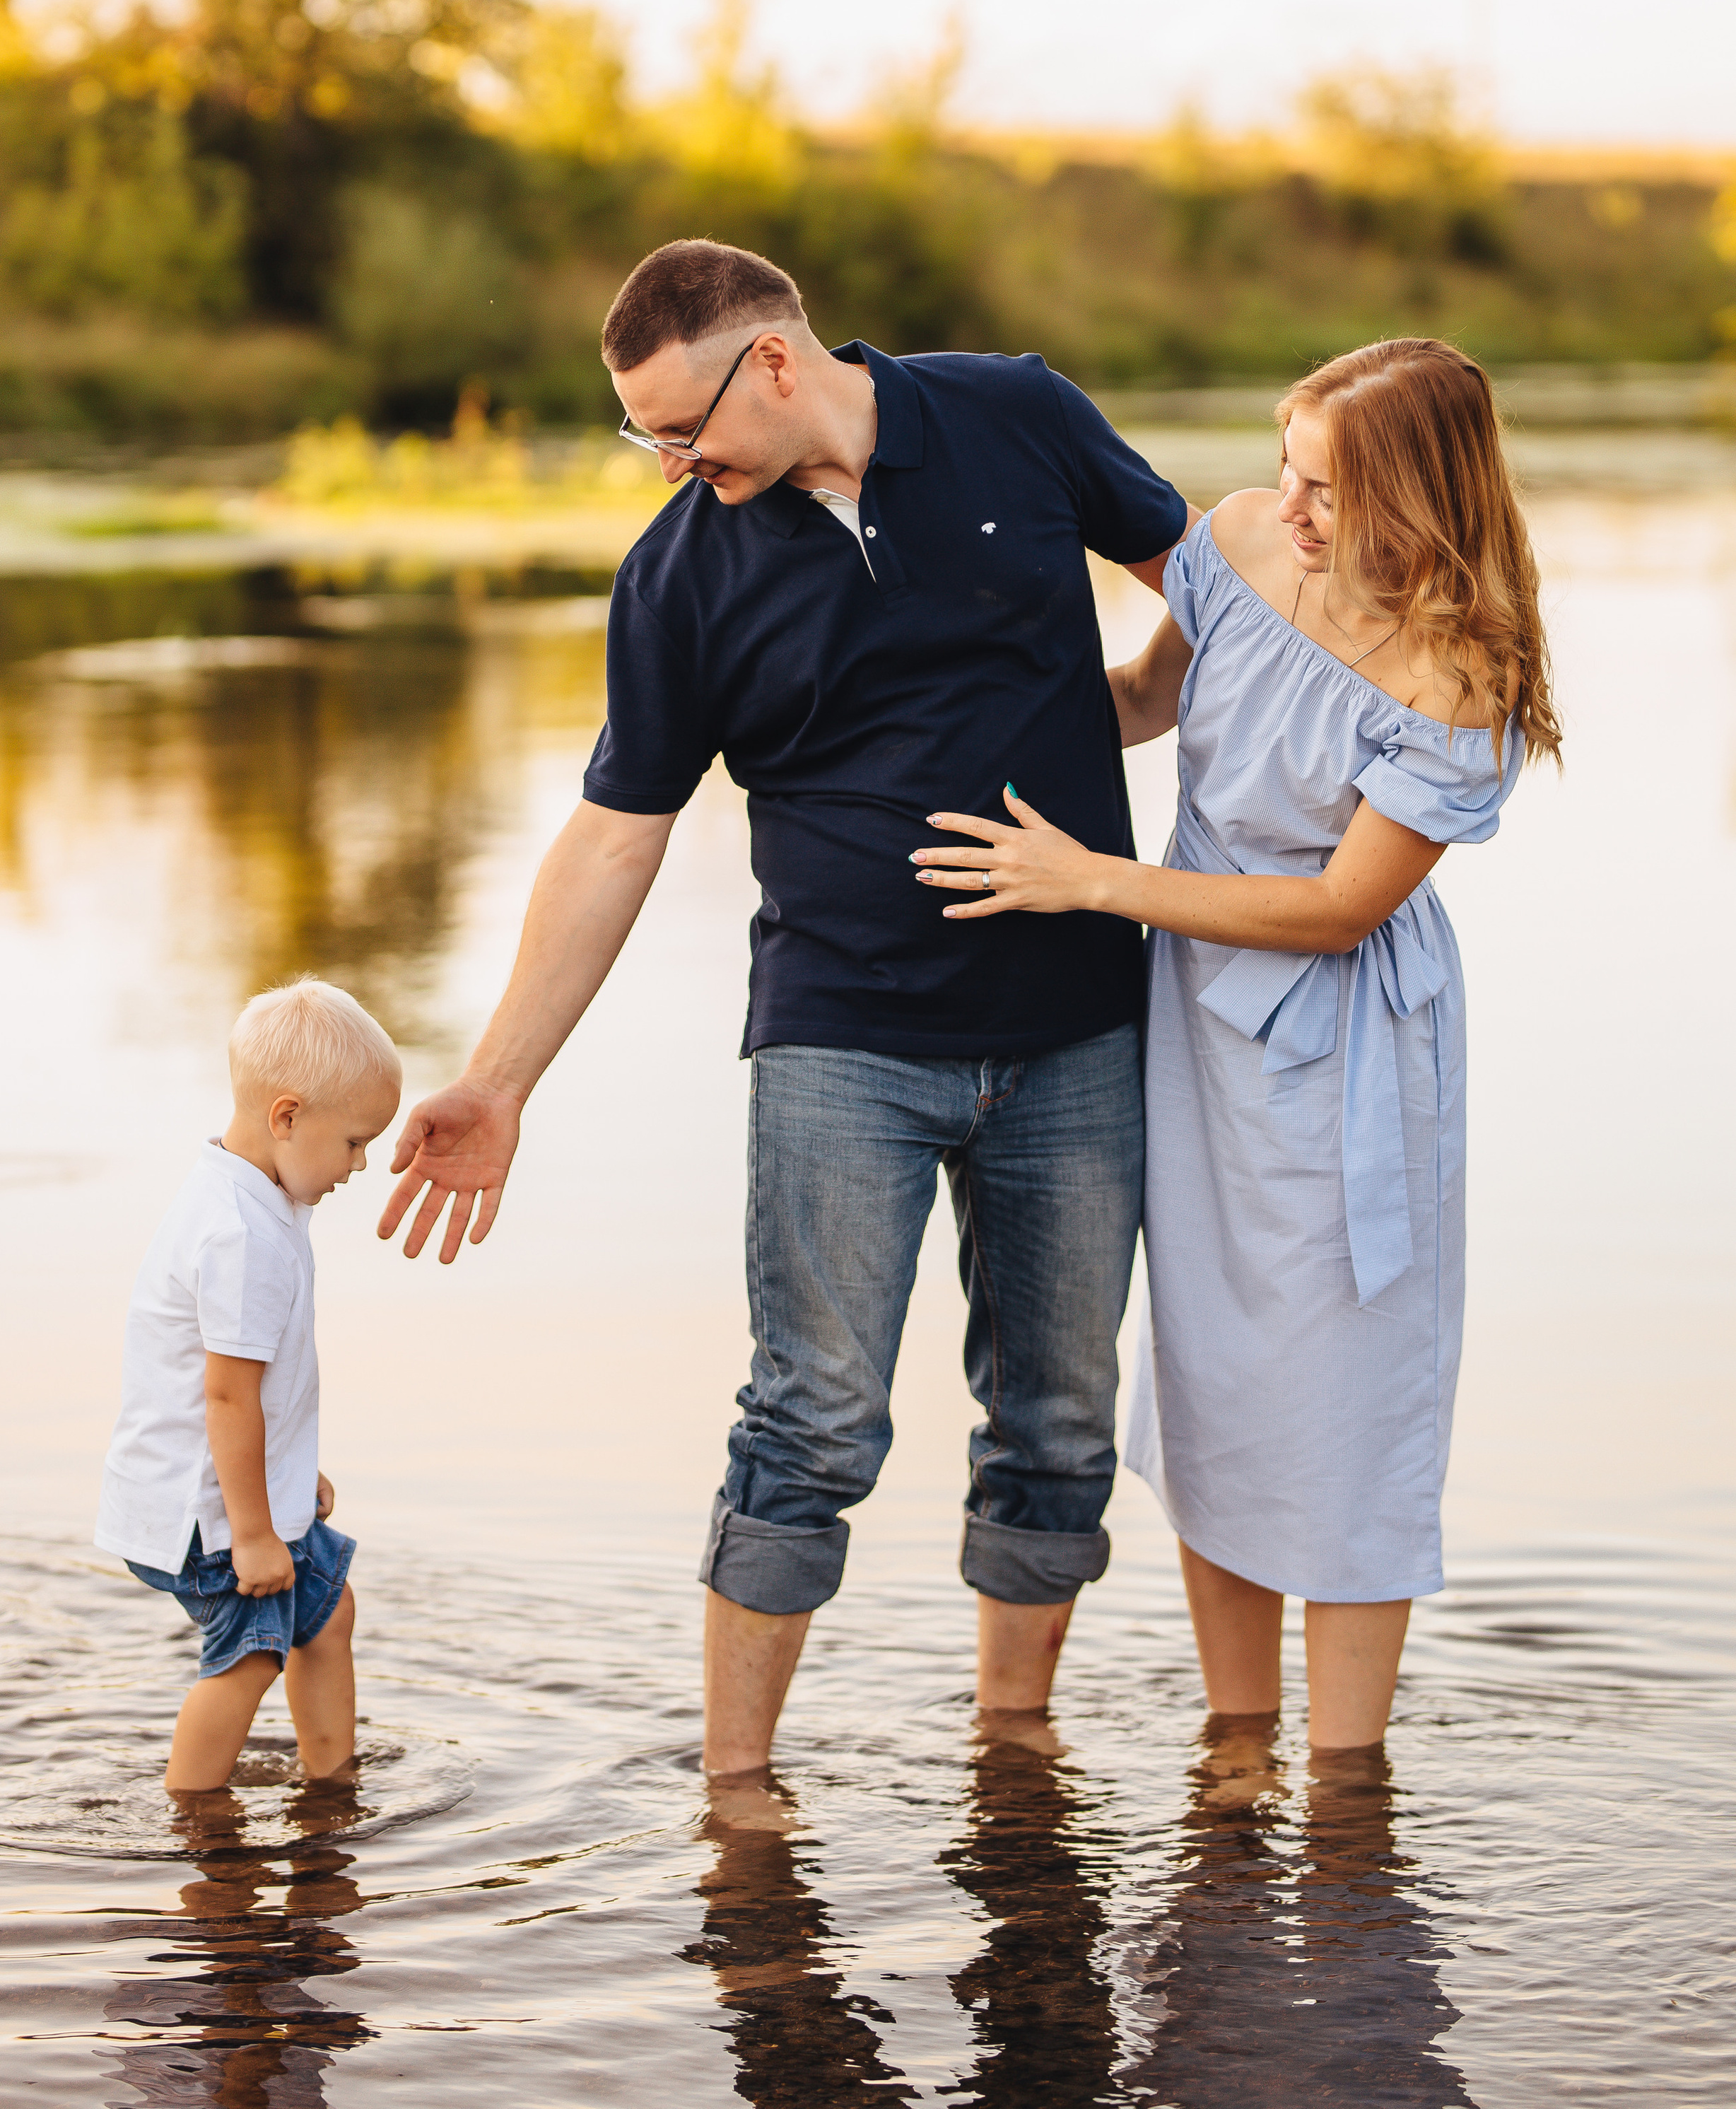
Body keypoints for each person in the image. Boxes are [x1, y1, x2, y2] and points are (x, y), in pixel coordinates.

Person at [378, 238, 1195, 1775]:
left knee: (1058, 1428)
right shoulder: (682, 568)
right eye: (645, 440)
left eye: (682, 427)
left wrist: (1146, 695)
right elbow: (616, 833)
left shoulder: (1013, 415)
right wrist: (499, 1081)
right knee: (810, 1423)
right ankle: (735, 1793)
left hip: (1078, 1030)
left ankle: (1011, 1756)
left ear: (770, 359)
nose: (671, 461)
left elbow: (1212, 575)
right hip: (840, 1041)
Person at [913, 338, 1559, 1748]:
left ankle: (1342, 1780)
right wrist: (942, 729)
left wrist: (1090, 881)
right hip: (1190, 1024)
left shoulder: (1461, 662)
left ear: (1423, 495)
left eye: (1327, 490)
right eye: (1287, 469)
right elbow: (1144, 699)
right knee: (1211, 1370)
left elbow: (1337, 909)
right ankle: (1234, 1744)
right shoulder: (1239, 538)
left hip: (1343, 1048)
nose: (1289, 507)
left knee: (1345, 1391)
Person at [95, 977, 401, 1793]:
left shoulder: (254, 1194)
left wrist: (298, 1469)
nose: (361, 1163)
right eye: (354, 1142)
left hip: (241, 1489)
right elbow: (226, 1398)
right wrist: (257, 1532)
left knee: (327, 1614)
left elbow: (259, 1389)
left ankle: (332, 1786)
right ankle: (194, 1817)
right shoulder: (239, 1233)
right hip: (209, 1511)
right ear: (288, 1117)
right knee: (250, 1656)